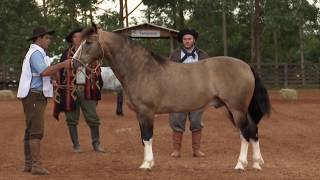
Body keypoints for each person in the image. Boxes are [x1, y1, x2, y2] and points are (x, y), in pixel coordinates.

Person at [17, 27, 71, 175]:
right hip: (35, 96)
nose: (49, 40)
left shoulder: (37, 53)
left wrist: (51, 83)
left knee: (30, 130)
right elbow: (44, 71)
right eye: (47, 38)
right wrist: (63, 64)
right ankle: (36, 166)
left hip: (34, 95)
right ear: (39, 39)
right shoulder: (36, 54)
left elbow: (40, 75)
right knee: (36, 131)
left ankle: (30, 164)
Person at [53, 28, 105, 153]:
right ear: (72, 39)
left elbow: (97, 71)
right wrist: (57, 82)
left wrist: (98, 87)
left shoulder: (91, 53)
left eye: (81, 36)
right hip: (71, 91)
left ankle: (96, 144)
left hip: (88, 89)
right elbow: (59, 71)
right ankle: (76, 145)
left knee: (93, 118)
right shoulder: (66, 54)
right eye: (75, 36)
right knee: (71, 119)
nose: (78, 38)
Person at [169, 28, 209, 158]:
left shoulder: (203, 55)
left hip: (198, 93)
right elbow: (169, 73)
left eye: (189, 39)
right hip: (178, 94)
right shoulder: (174, 55)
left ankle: (196, 150)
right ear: (182, 40)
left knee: (196, 121)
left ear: (194, 40)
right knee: (176, 120)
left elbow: (209, 74)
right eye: (185, 39)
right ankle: (176, 150)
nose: (187, 41)